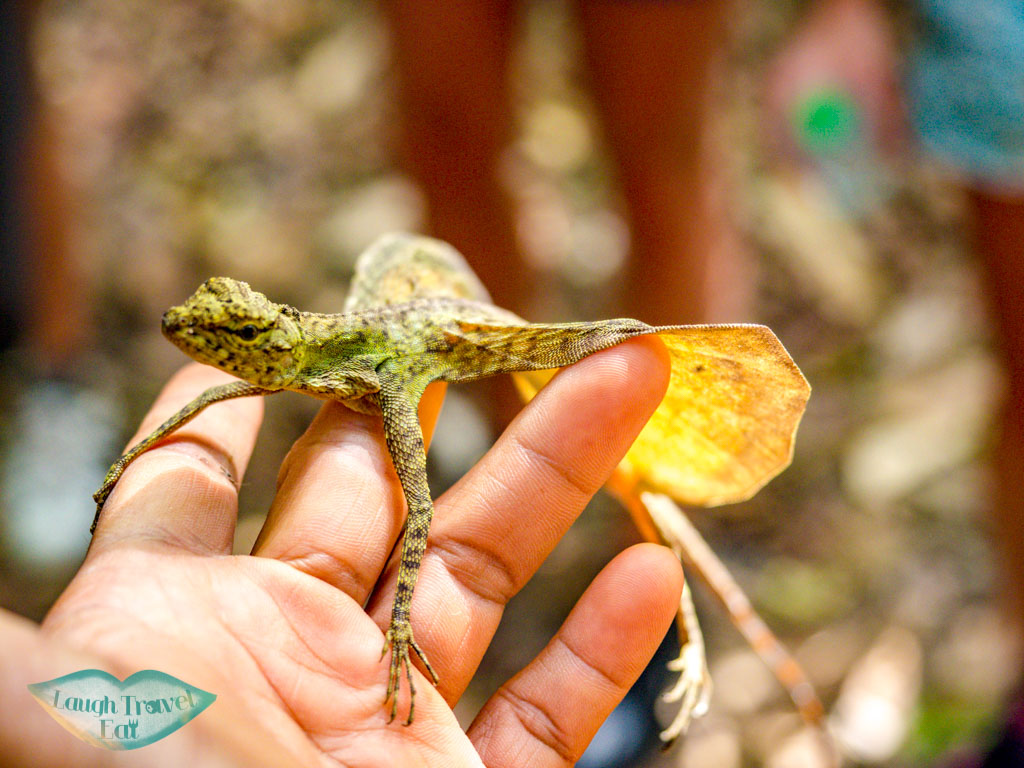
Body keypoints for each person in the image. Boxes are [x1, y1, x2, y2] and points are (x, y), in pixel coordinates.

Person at [2, 339, 685, 767]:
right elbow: (214, 388)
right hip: (365, 358)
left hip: (393, 363)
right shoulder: (257, 371)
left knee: (421, 508)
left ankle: (400, 621)